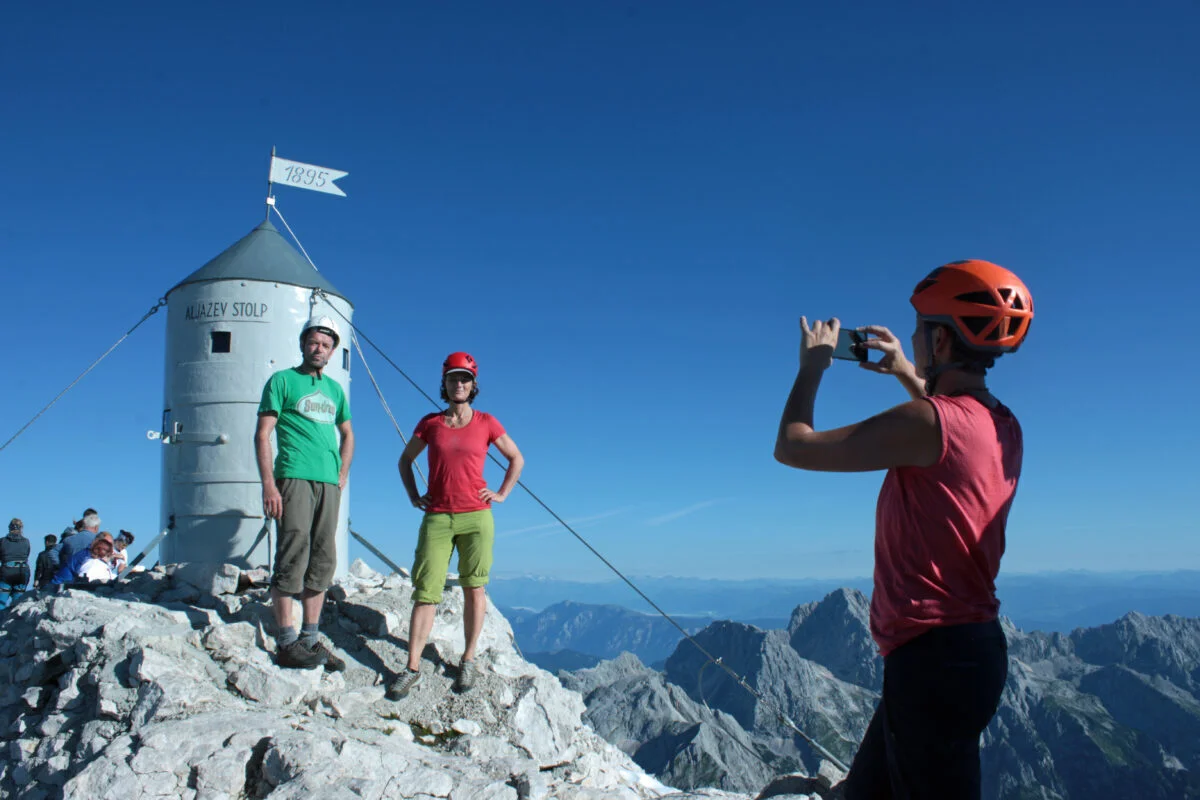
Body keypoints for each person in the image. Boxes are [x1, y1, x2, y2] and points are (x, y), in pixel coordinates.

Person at [773, 259, 1032, 800]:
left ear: (940, 341)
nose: (910, 337)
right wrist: (899, 370)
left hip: (931, 663)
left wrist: (814, 366)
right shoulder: (1003, 425)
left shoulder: (926, 424)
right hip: (970, 653)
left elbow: (793, 445)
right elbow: (948, 421)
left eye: (918, 330)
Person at [388, 351, 524, 699]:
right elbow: (405, 460)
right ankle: (412, 666)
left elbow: (516, 458)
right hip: (437, 516)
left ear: (473, 385)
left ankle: (468, 659)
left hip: (477, 516)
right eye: (453, 378)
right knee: (425, 591)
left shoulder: (487, 422)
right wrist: (412, 494)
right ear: (444, 384)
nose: (459, 384)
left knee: (474, 587)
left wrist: (502, 493)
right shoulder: (431, 424)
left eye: (464, 379)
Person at [255, 316, 354, 670]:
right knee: (293, 549)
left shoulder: (335, 390)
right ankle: (286, 641)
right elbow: (262, 434)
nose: (319, 349)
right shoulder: (282, 381)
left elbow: (348, 433)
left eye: (326, 345)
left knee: (323, 557)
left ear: (331, 352)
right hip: (293, 476)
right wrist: (268, 483)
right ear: (302, 344)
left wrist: (343, 470)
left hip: (328, 482)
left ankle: (310, 641)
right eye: (314, 343)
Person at [51, 532, 116, 585]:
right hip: (60, 587)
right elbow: (86, 580)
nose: (109, 548)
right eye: (106, 544)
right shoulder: (87, 558)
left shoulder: (90, 555)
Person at [0, 519, 31, 608]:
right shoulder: (26, 541)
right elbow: (26, 555)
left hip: (6, 571)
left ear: (9, 528)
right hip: (22, 572)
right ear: (21, 528)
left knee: (1, 600)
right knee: (18, 602)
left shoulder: (2, 541)